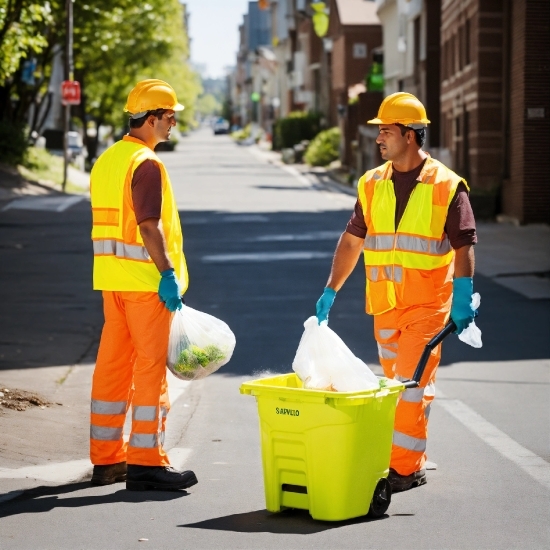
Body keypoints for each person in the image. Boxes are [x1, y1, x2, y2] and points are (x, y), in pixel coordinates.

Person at [316, 92, 477, 493]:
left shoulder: (447, 185)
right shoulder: (371, 183)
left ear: (409, 134)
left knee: (408, 388)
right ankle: (409, 453)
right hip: (385, 306)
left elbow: (464, 245)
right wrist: (331, 289)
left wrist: (463, 296)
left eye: (385, 131)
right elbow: (353, 239)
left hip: (427, 306)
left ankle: (405, 469)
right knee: (395, 388)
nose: (378, 138)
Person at [89, 79, 198, 491]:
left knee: (113, 367)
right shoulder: (146, 164)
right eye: (169, 117)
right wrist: (168, 273)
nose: (172, 124)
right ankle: (147, 462)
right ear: (151, 119)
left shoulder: (109, 159)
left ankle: (107, 459)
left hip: (111, 282)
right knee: (150, 369)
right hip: (144, 284)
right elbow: (148, 225)